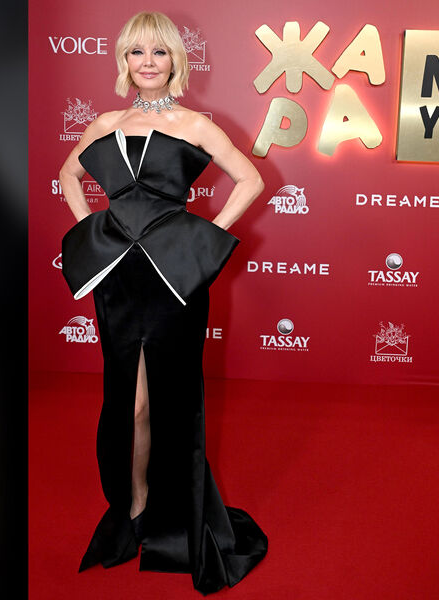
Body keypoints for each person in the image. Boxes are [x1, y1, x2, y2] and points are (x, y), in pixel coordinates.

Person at [57, 11, 267, 594]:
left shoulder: (194, 124)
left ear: (175, 60)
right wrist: (93, 235)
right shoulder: (105, 123)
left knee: (171, 401)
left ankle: (177, 514)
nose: (147, 62)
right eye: (136, 52)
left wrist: (201, 239)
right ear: (124, 61)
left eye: (158, 52)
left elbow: (250, 180)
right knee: (131, 405)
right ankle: (135, 505)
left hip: (175, 280)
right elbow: (68, 175)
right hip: (119, 282)